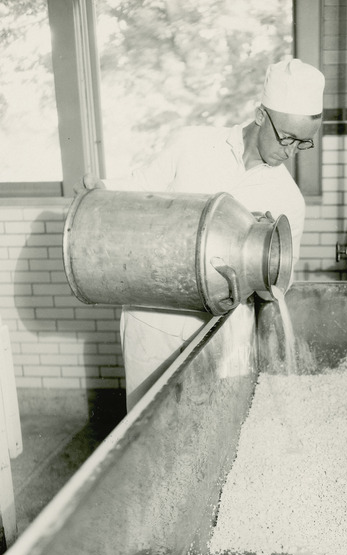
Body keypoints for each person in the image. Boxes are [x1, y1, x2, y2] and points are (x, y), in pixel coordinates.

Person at [91, 58, 325, 410]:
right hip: (154, 320)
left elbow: (278, 285)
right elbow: (140, 188)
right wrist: (100, 189)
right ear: (261, 115)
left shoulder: (288, 200)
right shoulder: (193, 145)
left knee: (208, 434)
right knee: (146, 432)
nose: (291, 153)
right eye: (287, 138)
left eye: (303, 144)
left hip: (223, 333)